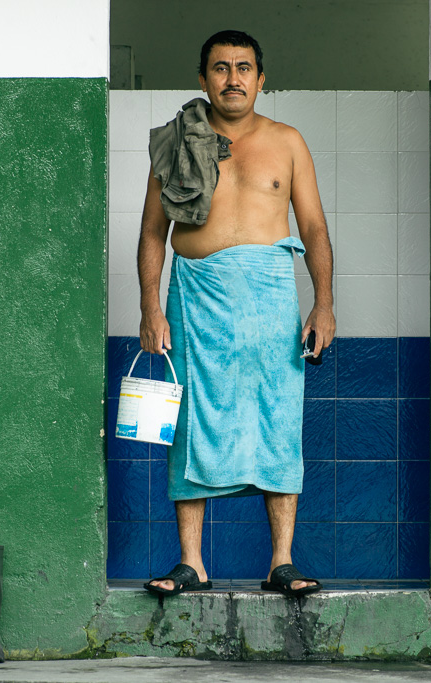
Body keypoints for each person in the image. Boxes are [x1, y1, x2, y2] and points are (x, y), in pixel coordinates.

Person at [137, 29, 335, 597]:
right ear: (203, 80)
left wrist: (323, 303)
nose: (232, 79)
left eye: (243, 68)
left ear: (260, 78)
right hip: (194, 294)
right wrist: (152, 306)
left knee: (278, 418)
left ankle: (281, 561)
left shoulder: (288, 142)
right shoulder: (177, 143)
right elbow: (154, 232)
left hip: (271, 298)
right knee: (191, 421)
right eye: (220, 69)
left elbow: (314, 227)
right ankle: (191, 562)